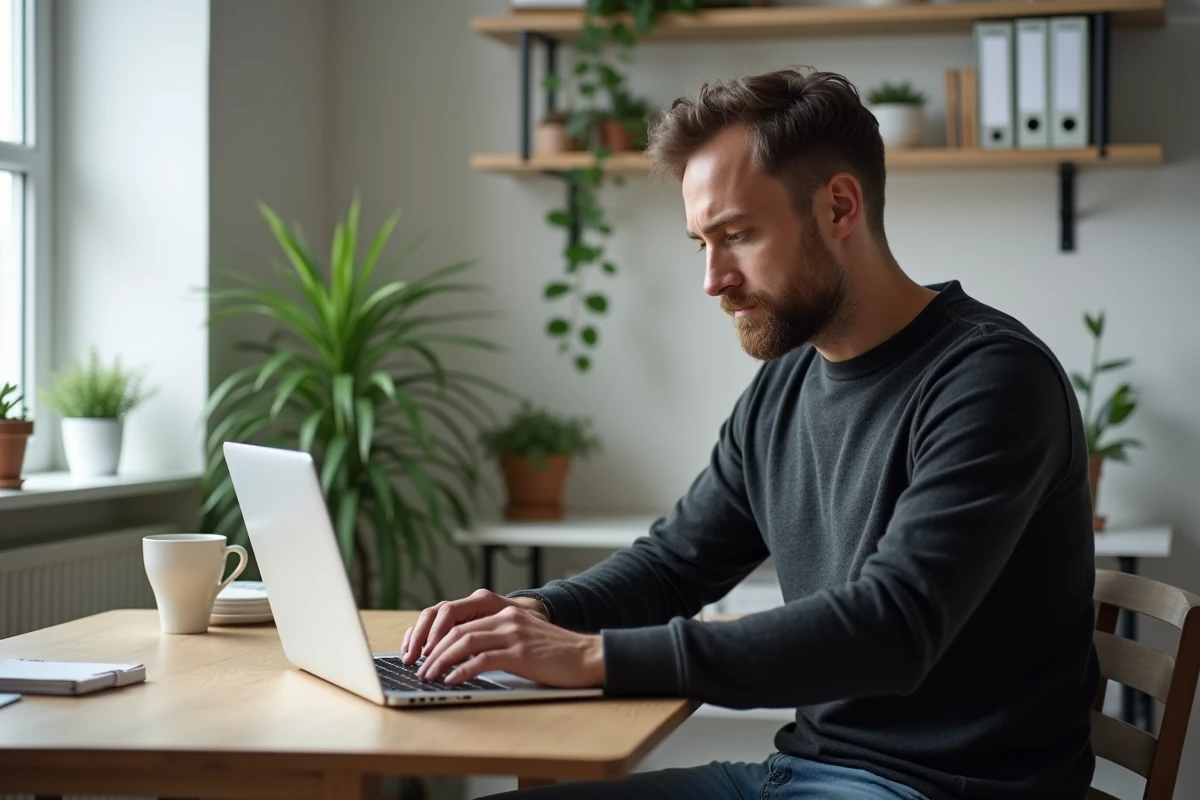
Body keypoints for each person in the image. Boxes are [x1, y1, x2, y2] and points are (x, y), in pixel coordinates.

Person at [401, 67, 1099, 799]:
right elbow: (675, 564)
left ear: (838, 206)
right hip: (796, 775)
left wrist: (593, 656)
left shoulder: (990, 380)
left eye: (736, 235)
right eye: (701, 242)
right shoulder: (786, 384)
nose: (713, 278)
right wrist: (535, 614)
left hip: (938, 788)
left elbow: (894, 628)